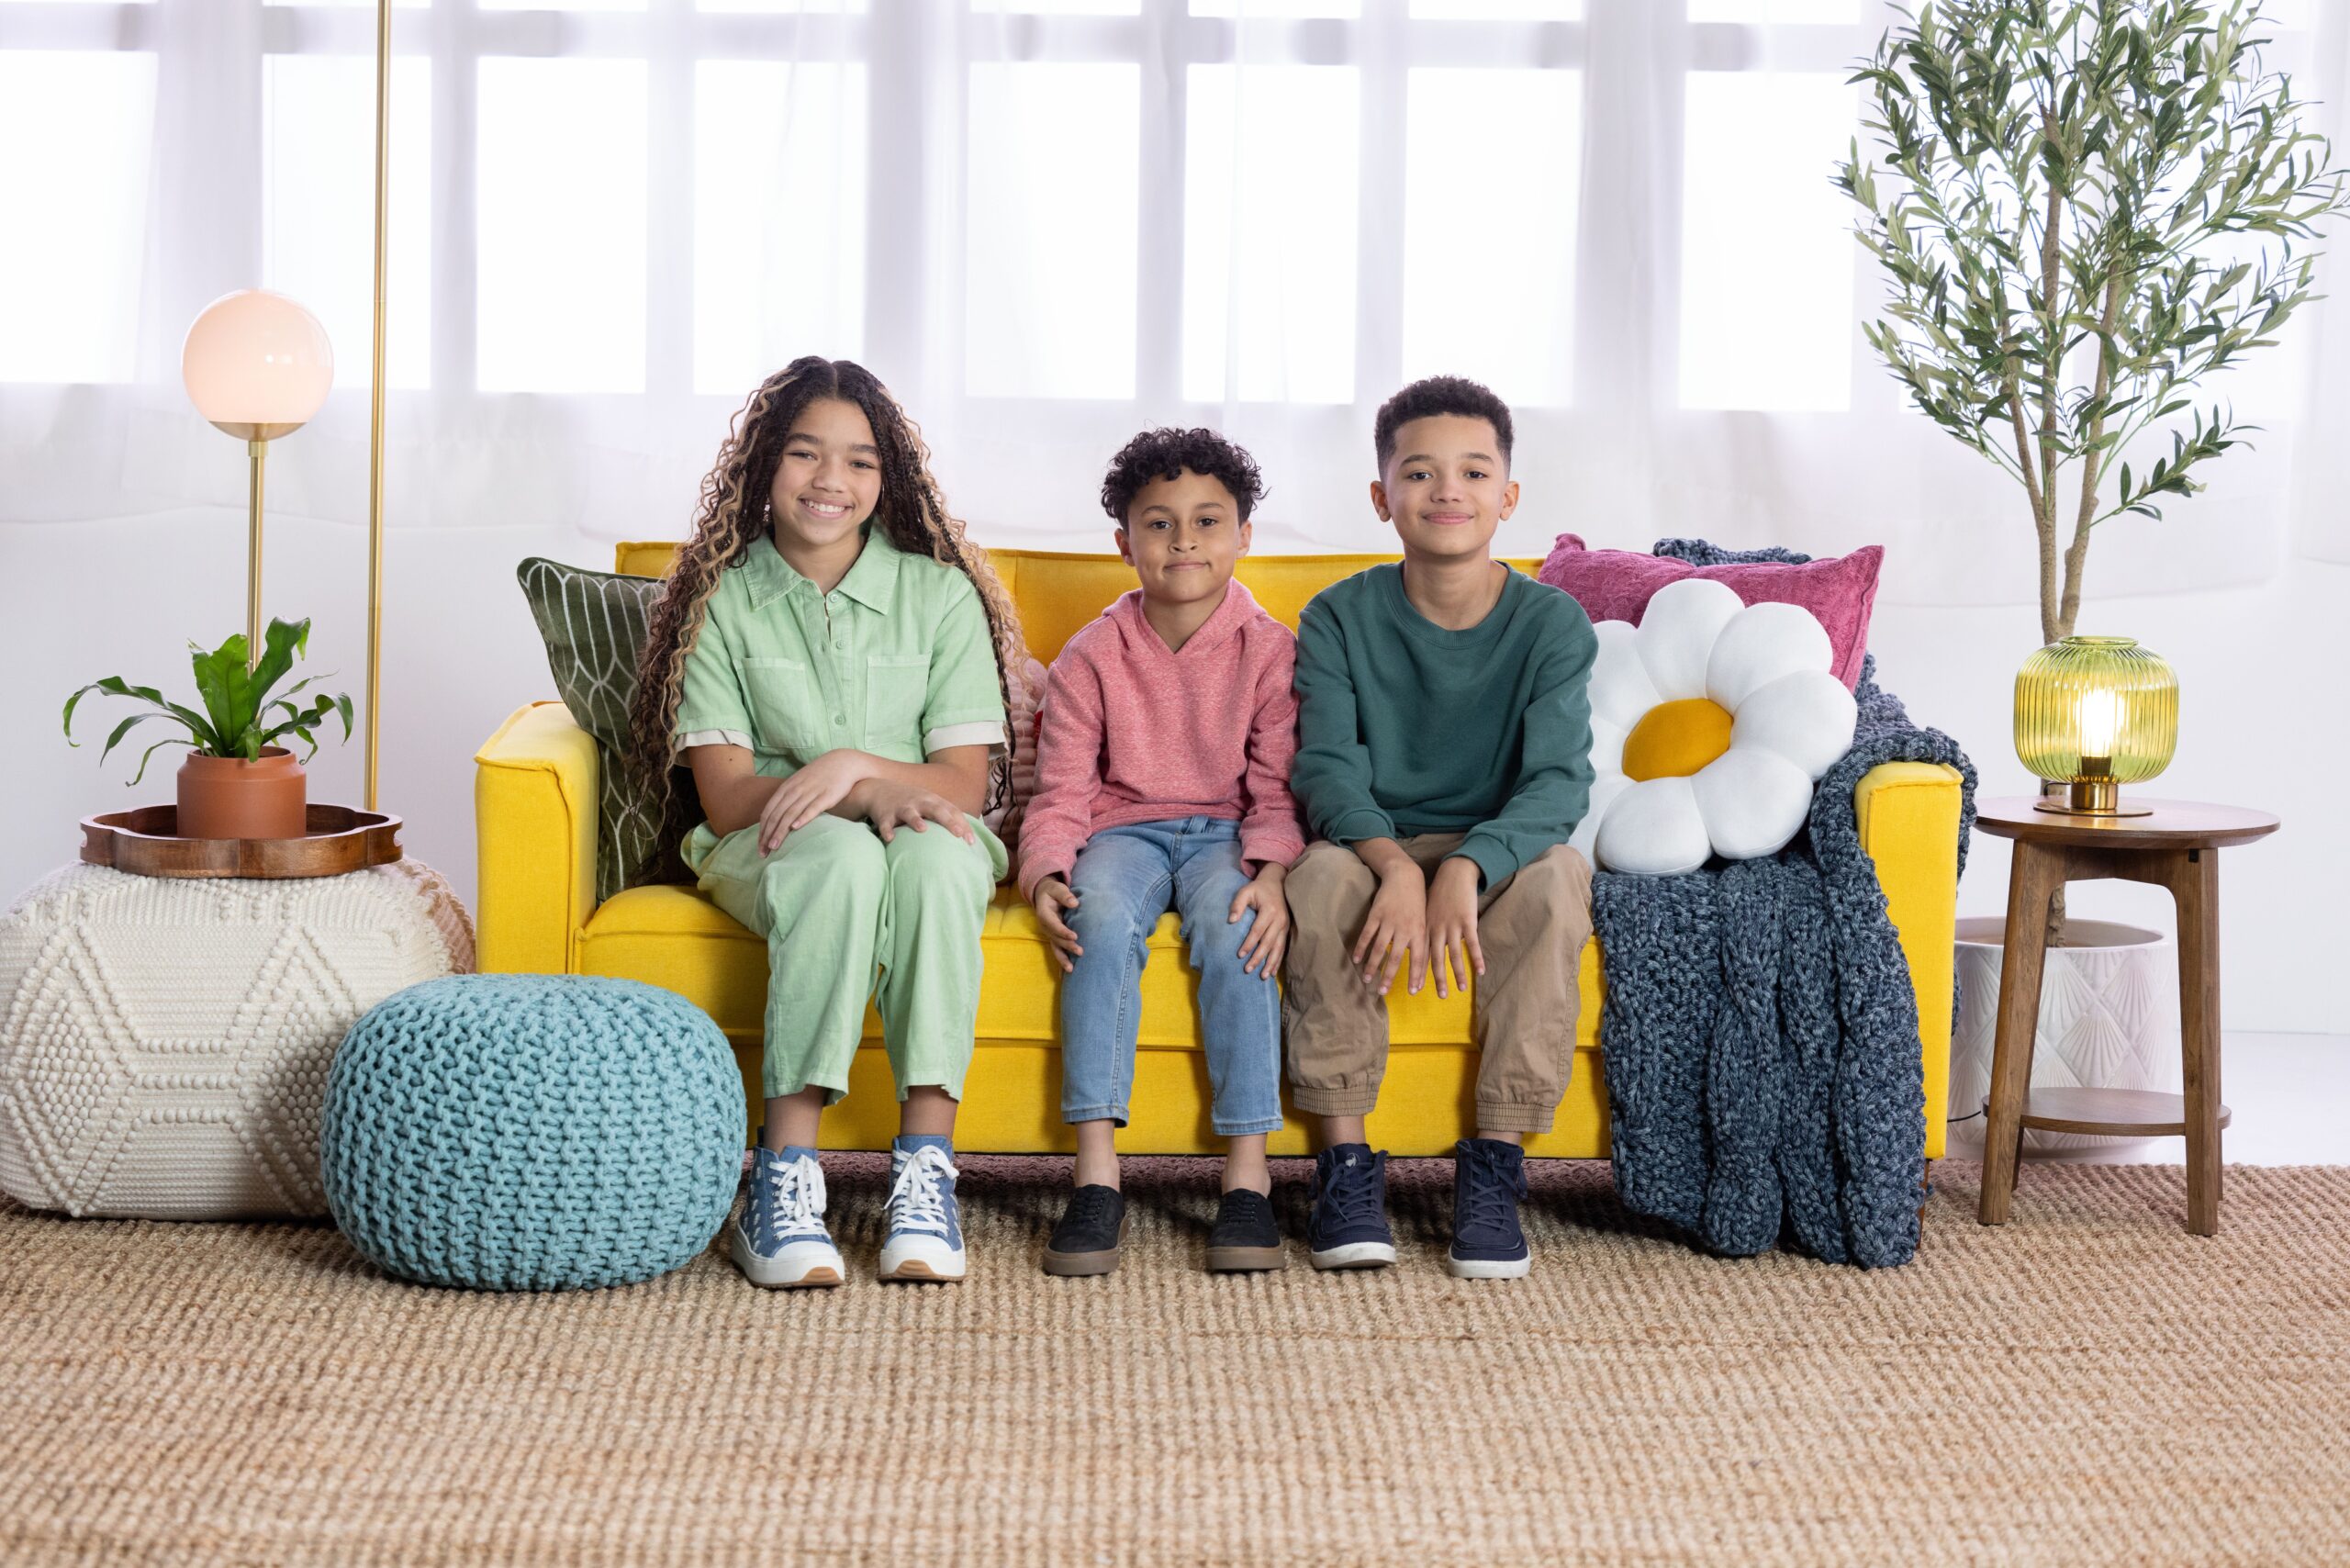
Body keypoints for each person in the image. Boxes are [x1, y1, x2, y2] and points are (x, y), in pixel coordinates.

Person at [625, 356, 1027, 1289]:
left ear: (886, 480)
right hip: (767, 842)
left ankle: (925, 1173)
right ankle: (784, 1175)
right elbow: (726, 796)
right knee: (844, 860)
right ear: (765, 465)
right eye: (805, 454)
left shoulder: (938, 595)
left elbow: (961, 783)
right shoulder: (722, 599)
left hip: (931, 830)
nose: (829, 480)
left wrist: (853, 765)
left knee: (932, 859)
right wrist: (856, 793)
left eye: (856, 461)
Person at [1284, 375, 1598, 1280]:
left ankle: (1494, 1168)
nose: (1445, 491)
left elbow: (1554, 781)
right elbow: (1327, 766)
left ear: (1507, 496)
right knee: (1316, 879)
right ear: (1382, 499)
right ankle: (1345, 1163)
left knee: (1558, 879)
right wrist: (1391, 863)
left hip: (1498, 848)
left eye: (1471, 471)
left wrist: (1464, 865)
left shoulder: (1551, 624)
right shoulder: (1338, 615)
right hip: (1372, 841)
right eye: (1418, 473)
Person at [1018, 428, 1304, 1276]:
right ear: (1124, 543)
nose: (1184, 541)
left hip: (1227, 833)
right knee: (1097, 922)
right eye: (1159, 523)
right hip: (1123, 831)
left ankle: (1246, 1181)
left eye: (1208, 521)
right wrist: (1044, 872)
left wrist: (1274, 873)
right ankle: (1097, 1176)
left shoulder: (1271, 651)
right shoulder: (1092, 654)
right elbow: (1063, 788)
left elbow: (1278, 791)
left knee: (1237, 929)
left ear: (1244, 536)